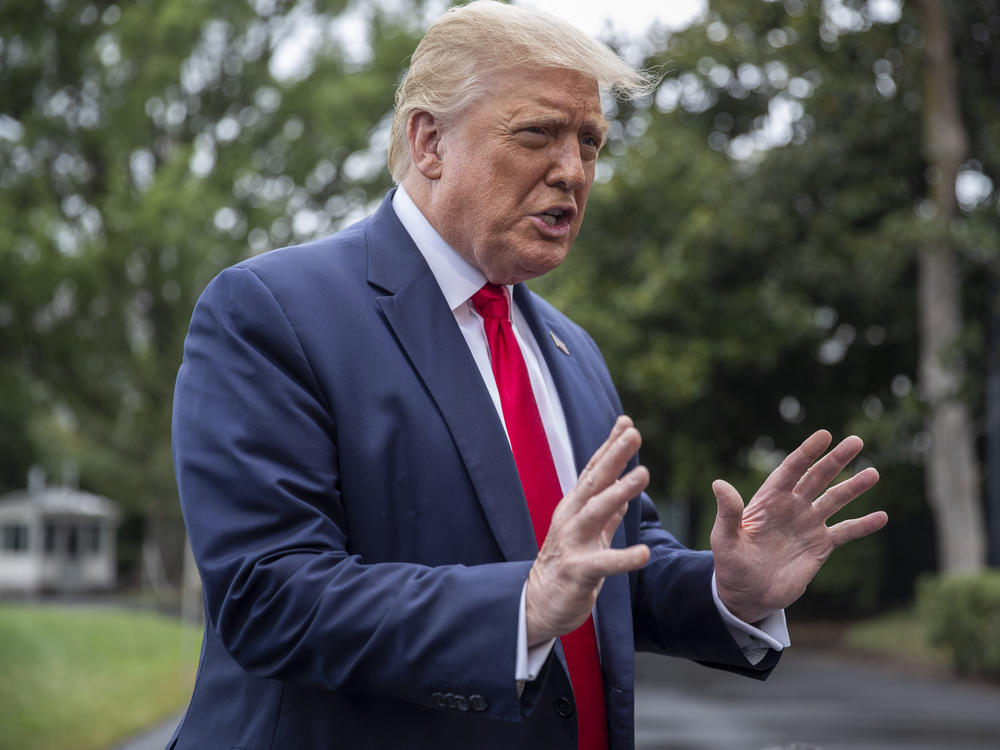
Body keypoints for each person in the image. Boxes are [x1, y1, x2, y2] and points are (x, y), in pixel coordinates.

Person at [169, 2, 887, 748]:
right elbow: (269, 597)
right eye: (537, 133)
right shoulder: (272, 311)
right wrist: (522, 604)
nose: (572, 171)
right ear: (430, 140)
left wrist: (725, 591)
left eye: (590, 142)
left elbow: (608, 569)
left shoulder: (573, 352)